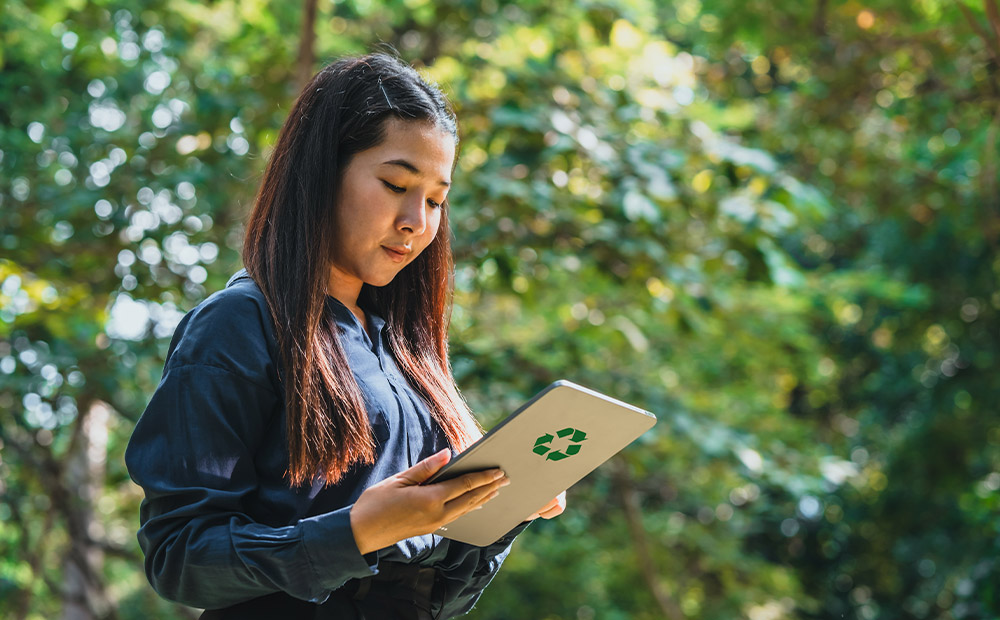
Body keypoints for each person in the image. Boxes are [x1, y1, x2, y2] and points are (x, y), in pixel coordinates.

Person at [124, 53, 565, 620]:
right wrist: (356, 532)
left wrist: (500, 516)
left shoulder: (406, 353)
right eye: (395, 183)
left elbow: (437, 599)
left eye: (435, 200)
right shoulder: (238, 325)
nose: (417, 221)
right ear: (322, 173)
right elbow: (180, 560)